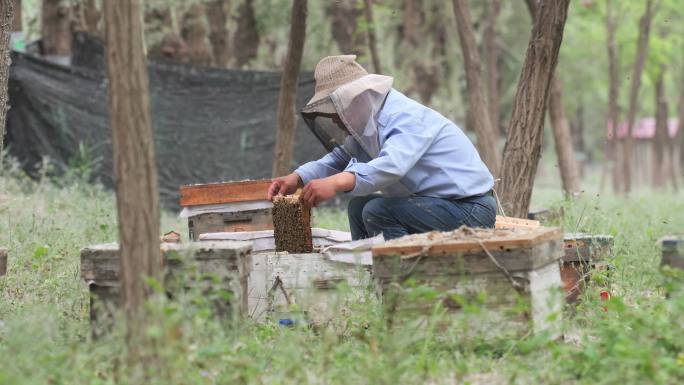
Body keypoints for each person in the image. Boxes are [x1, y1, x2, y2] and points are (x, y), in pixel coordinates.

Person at [268, 55, 496, 240]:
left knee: (377, 211)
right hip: (437, 205)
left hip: (470, 208)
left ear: (357, 98)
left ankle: (399, 281)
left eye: (337, 108)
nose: (335, 118)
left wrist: (337, 182)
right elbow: (339, 158)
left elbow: (392, 165)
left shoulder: (403, 116)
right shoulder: (370, 127)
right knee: (358, 208)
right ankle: (369, 280)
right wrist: (298, 177)